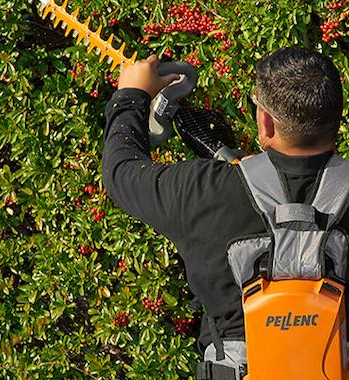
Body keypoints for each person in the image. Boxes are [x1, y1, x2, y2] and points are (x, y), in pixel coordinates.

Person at [102, 48, 349, 378]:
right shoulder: (208, 187)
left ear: (265, 122)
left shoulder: (203, 190)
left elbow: (120, 171)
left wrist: (131, 95)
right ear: (337, 116)